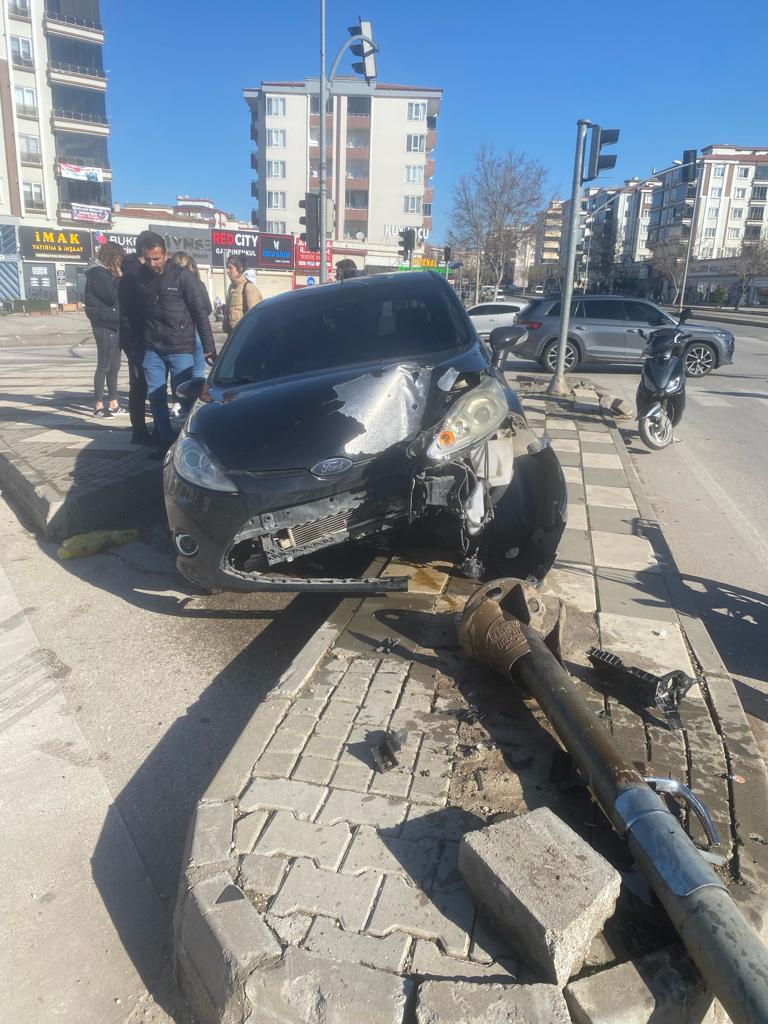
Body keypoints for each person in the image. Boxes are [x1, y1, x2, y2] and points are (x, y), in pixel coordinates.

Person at [120, 232, 216, 452]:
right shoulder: (138, 279)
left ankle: (191, 439)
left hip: (180, 345)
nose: (153, 263)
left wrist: (209, 348)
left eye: (157, 258)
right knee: (156, 395)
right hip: (152, 347)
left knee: (185, 393)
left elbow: (200, 313)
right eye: (148, 259)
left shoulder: (183, 277)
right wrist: (134, 348)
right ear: (141, 257)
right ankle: (165, 440)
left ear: (165, 254)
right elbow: (130, 315)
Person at [118, 229, 156, 445]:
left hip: (137, 339)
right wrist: (132, 345)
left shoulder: (132, 275)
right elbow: (129, 314)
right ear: (144, 252)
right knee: (141, 386)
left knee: (141, 385)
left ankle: (141, 430)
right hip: (137, 340)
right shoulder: (134, 277)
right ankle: (140, 432)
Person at [84, 241, 126, 417]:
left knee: (115, 365)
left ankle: (114, 403)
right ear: (112, 258)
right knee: (104, 363)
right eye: (118, 259)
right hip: (103, 323)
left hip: (114, 322)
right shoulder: (98, 273)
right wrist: (120, 278)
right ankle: (98, 405)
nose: (120, 263)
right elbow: (110, 296)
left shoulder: (106, 273)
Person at [170, 251, 211, 379]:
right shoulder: (198, 284)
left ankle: (181, 397)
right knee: (198, 373)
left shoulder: (168, 284)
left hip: (177, 337)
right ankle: (194, 397)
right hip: (196, 332)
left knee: (178, 375)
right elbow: (207, 308)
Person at [223, 256, 262, 335]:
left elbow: (254, 316)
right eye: (227, 268)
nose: (227, 271)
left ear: (240, 269)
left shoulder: (248, 287)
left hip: (243, 335)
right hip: (232, 334)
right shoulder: (232, 286)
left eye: (230, 268)